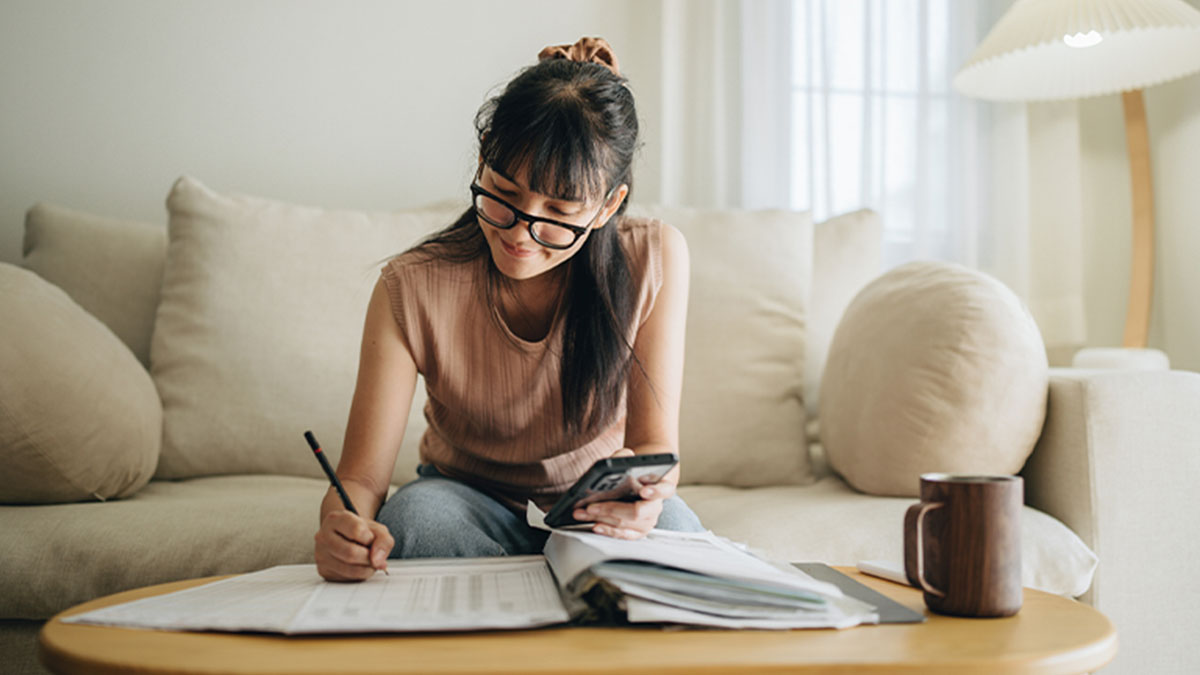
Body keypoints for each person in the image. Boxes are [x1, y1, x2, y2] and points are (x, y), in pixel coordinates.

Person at [314, 37, 704, 582]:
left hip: (595, 503)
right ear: (482, 158)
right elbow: (360, 479)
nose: (521, 234)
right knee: (415, 523)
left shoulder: (653, 257)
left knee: (679, 537)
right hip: (463, 496)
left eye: (559, 211)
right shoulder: (411, 285)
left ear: (607, 206)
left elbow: (655, 448)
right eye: (503, 193)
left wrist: (646, 495)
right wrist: (342, 524)